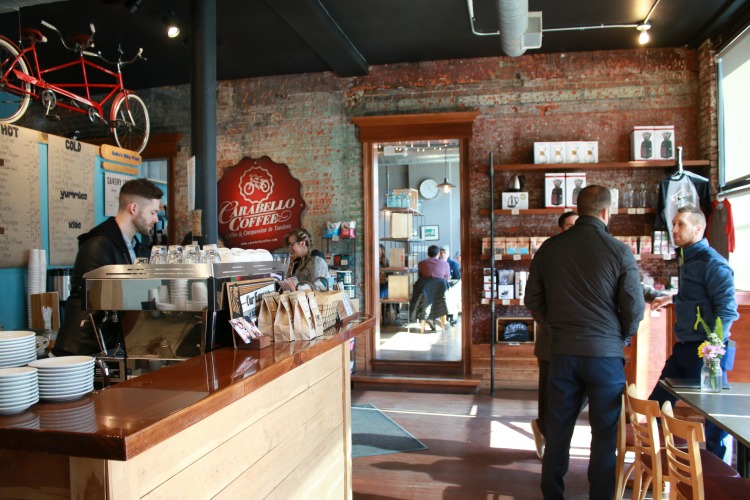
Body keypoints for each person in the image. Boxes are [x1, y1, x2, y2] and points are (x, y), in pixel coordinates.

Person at [525, 185, 645, 499]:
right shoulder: (619, 251)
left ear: (578, 210)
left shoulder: (550, 248)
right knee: (605, 434)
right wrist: (622, 336)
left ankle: (552, 493)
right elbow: (634, 305)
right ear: (606, 212)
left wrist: (554, 324)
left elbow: (532, 299)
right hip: (604, 354)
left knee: (558, 428)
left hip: (563, 351)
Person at [648, 205, 739, 459]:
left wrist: (712, 348)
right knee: (656, 404)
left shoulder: (712, 263)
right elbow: (698, 299)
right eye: (674, 223)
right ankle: (654, 463)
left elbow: (727, 311)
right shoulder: (688, 259)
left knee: (715, 420)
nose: (674, 229)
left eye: (681, 225)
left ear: (698, 229)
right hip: (684, 348)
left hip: (706, 353)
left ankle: (720, 474)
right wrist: (673, 299)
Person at [53, 178, 164, 357]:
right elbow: (99, 299)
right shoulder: (97, 244)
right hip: (81, 350)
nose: (156, 219)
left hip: (109, 345)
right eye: (152, 212)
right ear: (133, 208)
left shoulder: (136, 247)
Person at [530, 210, 578, 460]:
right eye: (569, 225)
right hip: (551, 337)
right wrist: (550, 323)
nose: (574, 229)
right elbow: (534, 296)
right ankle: (547, 434)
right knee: (549, 391)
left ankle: (547, 430)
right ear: (560, 229)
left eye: (577, 225)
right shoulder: (549, 252)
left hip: (579, 340)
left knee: (578, 391)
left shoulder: (587, 253)